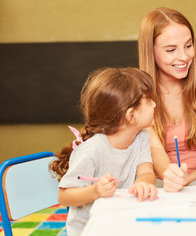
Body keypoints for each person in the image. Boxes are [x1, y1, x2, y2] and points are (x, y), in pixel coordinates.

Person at [49, 67, 158, 236]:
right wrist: (96, 191)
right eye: (149, 100)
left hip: (120, 223)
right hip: (89, 229)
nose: (154, 103)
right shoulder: (92, 150)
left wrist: (142, 183)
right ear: (131, 116)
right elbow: (64, 196)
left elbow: (146, 172)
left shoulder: (141, 136)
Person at [138, 7, 196, 192]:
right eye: (171, 49)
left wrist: (189, 179)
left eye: (188, 46)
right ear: (150, 51)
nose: (184, 56)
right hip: (157, 182)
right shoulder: (137, 93)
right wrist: (171, 176)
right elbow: (155, 149)